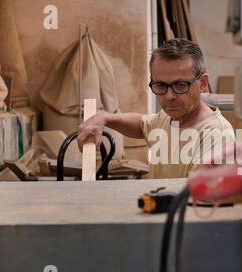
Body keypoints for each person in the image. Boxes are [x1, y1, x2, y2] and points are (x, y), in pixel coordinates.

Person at [77, 38, 234, 179]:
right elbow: (142, 124)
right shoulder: (170, 118)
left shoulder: (216, 135)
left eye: (180, 85)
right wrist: (105, 117)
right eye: (160, 85)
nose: (168, 96)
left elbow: (197, 202)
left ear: (203, 83)